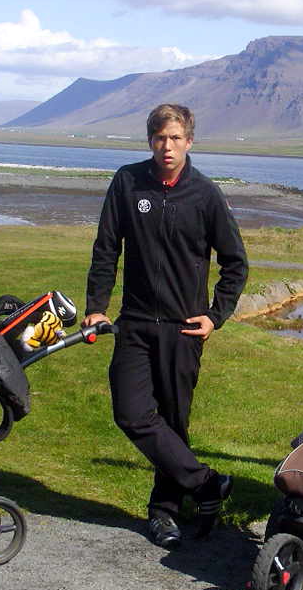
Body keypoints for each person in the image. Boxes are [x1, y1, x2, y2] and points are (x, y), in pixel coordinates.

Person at [82, 103, 248, 549]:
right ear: (150, 141)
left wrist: (215, 315)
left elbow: (236, 263)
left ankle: (164, 513)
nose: (167, 147)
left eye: (175, 138)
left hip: (183, 329)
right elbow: (106, 248)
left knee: (173, 422)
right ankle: (208, 484)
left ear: (189, 142)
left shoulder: (205, 194)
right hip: (134, 323)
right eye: (160, 138)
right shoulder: (128, 181)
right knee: (130, 413)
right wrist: (96, 306)